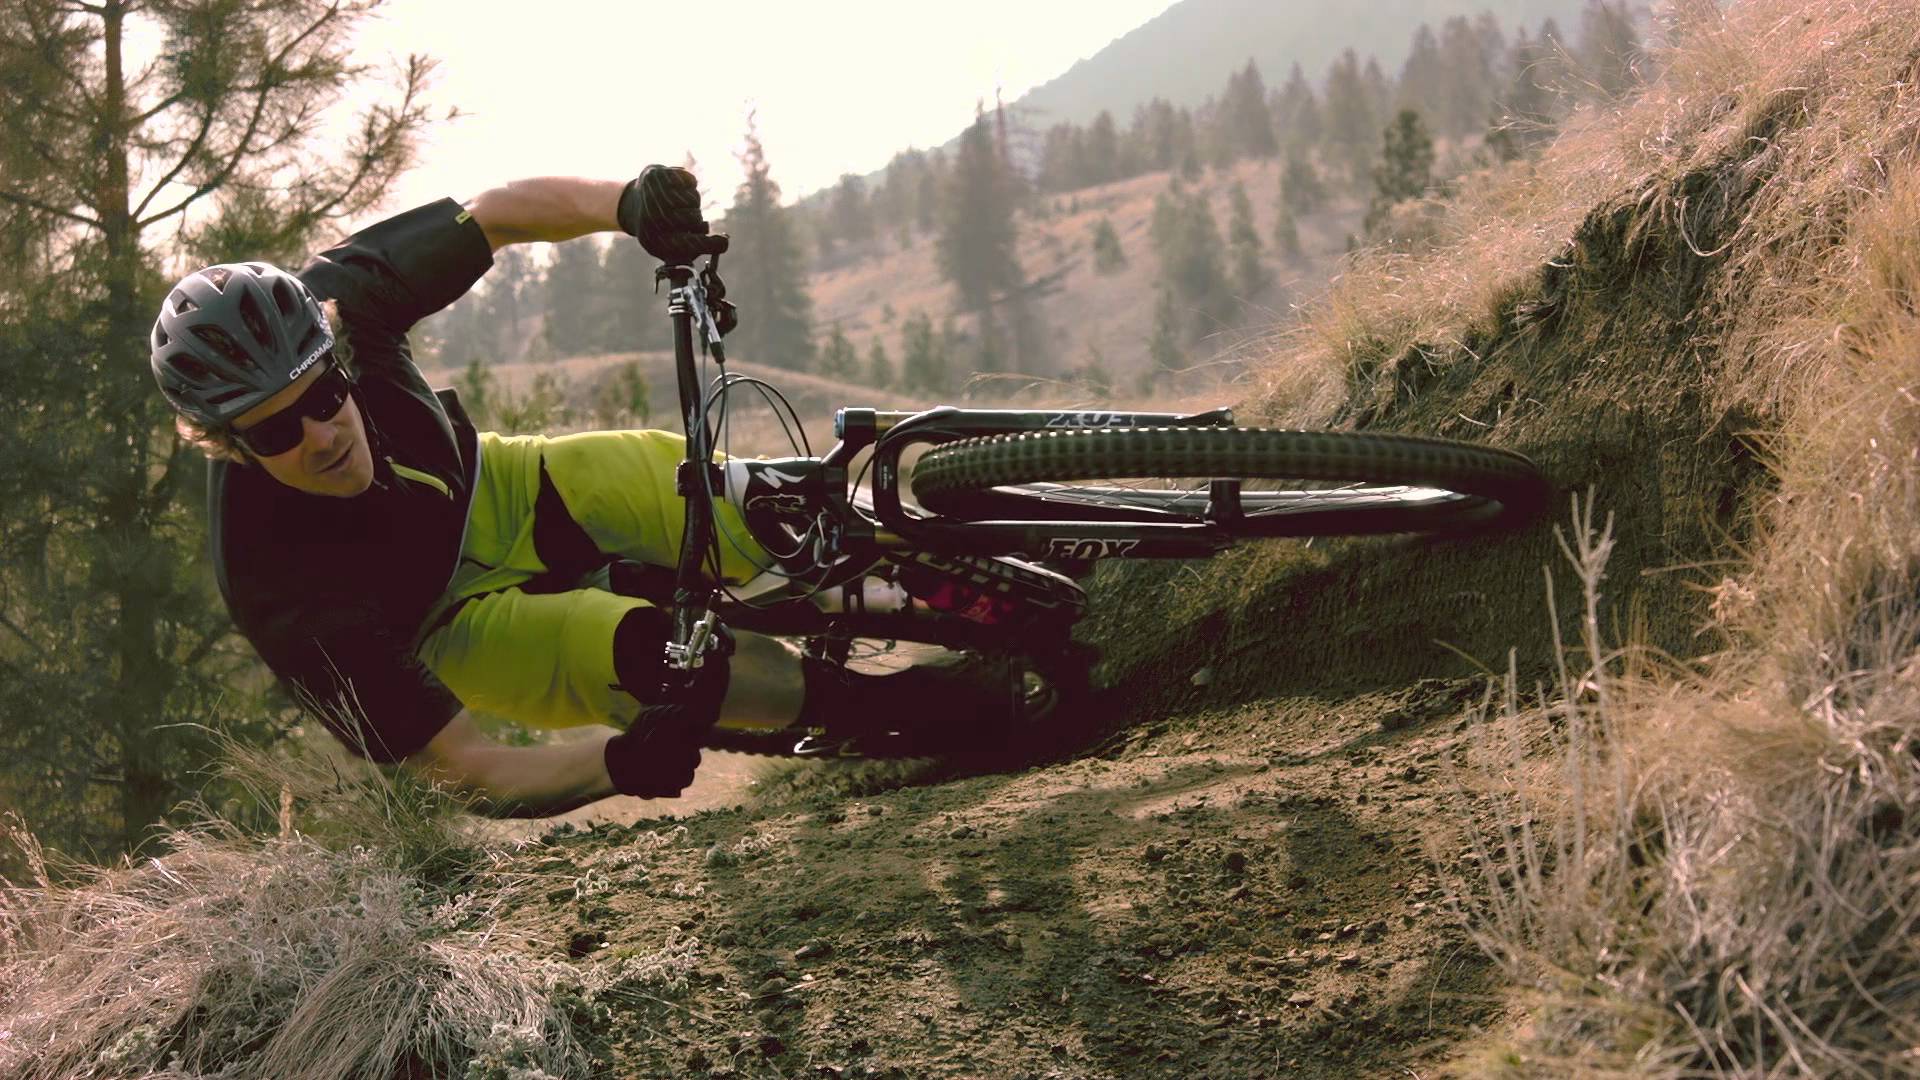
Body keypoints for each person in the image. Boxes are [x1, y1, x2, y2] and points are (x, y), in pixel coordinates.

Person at [149, 167, 1013, 816]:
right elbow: (463, 769)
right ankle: (884, 708)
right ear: (227, 447)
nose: (321, 434)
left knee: (735, 502)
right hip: (449, 623)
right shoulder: (277, 588)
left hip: (498, 486)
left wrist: (628, 204)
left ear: (336, 351)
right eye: (274, 432)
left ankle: (934, 567)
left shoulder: (341, 300)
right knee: (663, 662)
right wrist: (620, 765)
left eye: (325, 393)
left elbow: (492, 219)